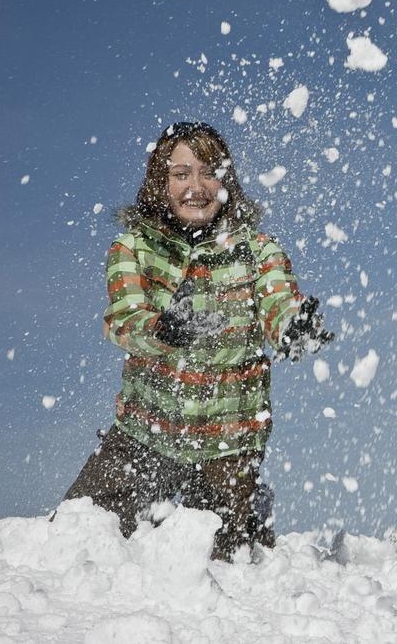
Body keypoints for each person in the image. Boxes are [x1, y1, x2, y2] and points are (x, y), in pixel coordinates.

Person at [59, 121, 333, 560]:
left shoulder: (257, 249)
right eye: (181, 173)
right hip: (144, 435)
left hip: (229, 440)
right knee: (73, 543)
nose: (196, 186)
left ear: (225, 181)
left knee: (214, 566)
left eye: (208, 172)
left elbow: (279, 301)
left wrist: (293, 326)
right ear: (159, 183)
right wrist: (163, 329)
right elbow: (124, 318)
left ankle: (246, 511)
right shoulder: (132, 248)